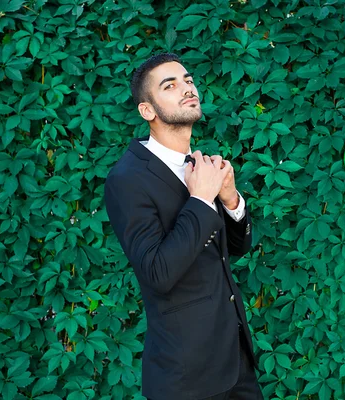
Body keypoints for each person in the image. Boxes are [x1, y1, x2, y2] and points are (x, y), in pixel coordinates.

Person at [104, 53, 262, 400]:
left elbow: (234, 250)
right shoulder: (127, 179)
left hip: (236, 363)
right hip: (187, 378)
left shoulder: (199, 165)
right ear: (148, 111)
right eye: (169, 85)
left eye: (188, 80)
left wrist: (231, 199)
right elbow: (157, 272)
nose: (187, 89)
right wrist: (201, 200)